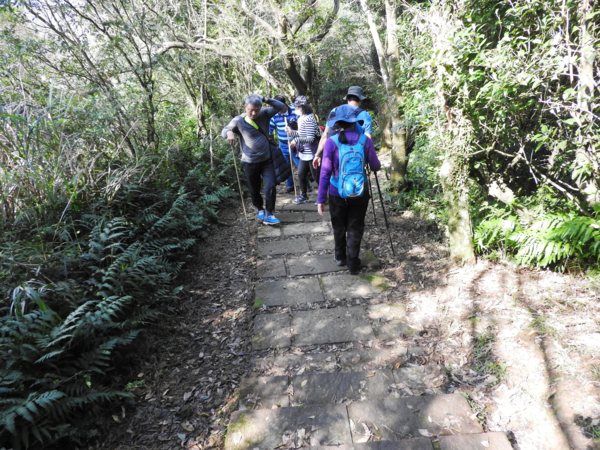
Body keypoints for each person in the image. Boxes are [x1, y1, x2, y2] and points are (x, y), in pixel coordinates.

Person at [317, 104, 381, 274]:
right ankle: (353, 263)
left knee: (339, 226)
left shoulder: (331, 142)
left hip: (336, 191)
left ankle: (340, 257)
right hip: (360, 191)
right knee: (355, 226)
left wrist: (321, 199)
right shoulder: (365, 140)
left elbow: (325, 172)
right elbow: (375, 166)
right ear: (355, 122)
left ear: (338, 123)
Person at [222, 94, 286, 225]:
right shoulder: (238, 120)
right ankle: (260, 209)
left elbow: (280, 106)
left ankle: (269, 213)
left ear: (260, 108)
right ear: (245, 107)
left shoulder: (264, 114)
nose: (253, 113)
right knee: (254, 189)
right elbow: (225, 129)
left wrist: (265, 99)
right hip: (249, 162)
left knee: (270, 186)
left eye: (256, 110)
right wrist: (229, 132)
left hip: (267, 159)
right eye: (250, 110)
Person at [313, 85, 373, 169]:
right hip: (355, 160)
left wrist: (317, 154)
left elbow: (325, 135)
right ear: (360, 100)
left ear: (347, 99)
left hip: (335, 157)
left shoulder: (335, 111)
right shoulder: (365, 115)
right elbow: (368, 138)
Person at [284, 96, 320, 204]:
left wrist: (296, 141)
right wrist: (291, 132)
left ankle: (323, 196)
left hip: (312, 153)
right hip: (304, 153)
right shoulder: (301, 118)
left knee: (316, 176)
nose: (296, 109)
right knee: (301, 174)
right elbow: (301, 133)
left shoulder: (309, 119)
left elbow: (310, 138)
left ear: (302, 107)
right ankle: (303, 195)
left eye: (297, 107)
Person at [268, 95, 299, 193]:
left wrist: (296, 139)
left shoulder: (295, 110)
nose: (277, 109)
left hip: (297, 142)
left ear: (284, 104)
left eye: (278, 107)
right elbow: (269, 130)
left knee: (300, 164)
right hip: (283, 144)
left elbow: (302, 127)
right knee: (286, 165)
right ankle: (290, 185)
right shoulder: (274, 115)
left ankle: (305, 184)